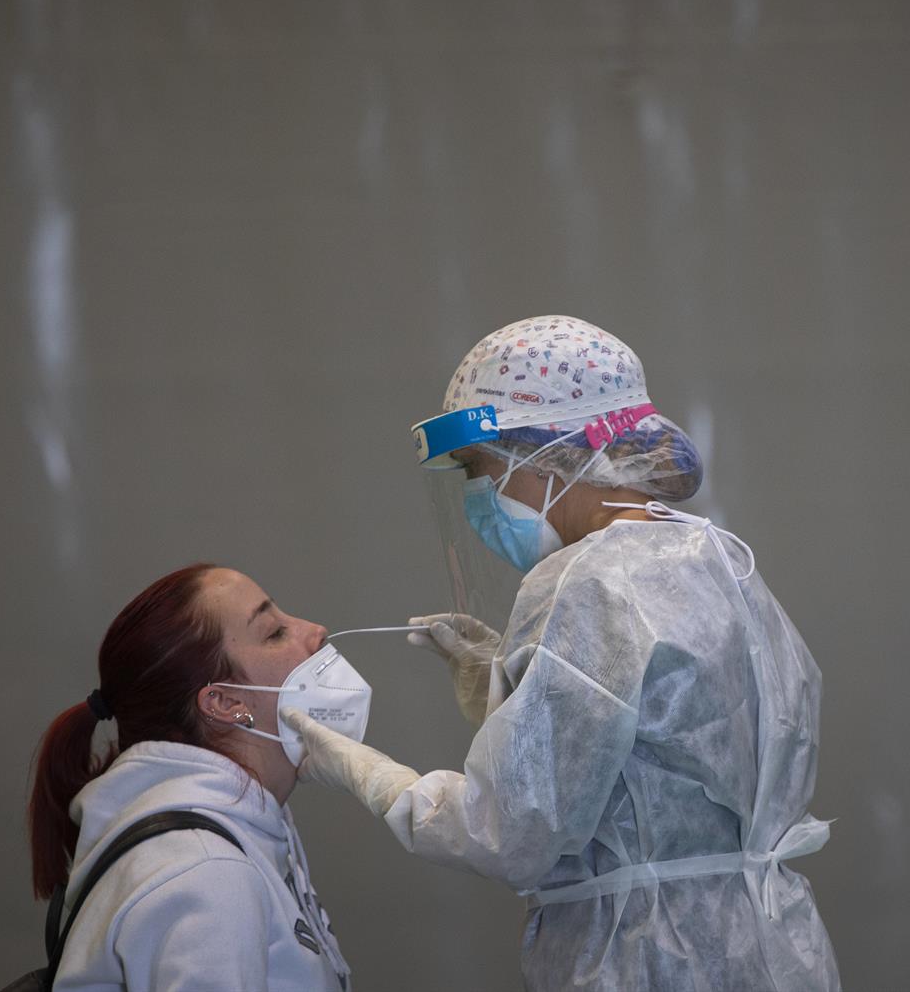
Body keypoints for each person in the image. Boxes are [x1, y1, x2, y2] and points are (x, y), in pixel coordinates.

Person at [283, 316, 840, 992]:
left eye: (481, 471)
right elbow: (669, 746)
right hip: (768, 947)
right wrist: (512, 686)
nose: (479, 498)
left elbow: (511, 832)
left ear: (548, 453)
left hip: (646, 959)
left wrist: (369, 775)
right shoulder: (715, 557)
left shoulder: (584, 581)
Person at [27, 562, 353, 991]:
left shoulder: (222, 838)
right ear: (221, 702)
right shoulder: (207, 873)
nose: (315, 631)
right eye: (274, 632)